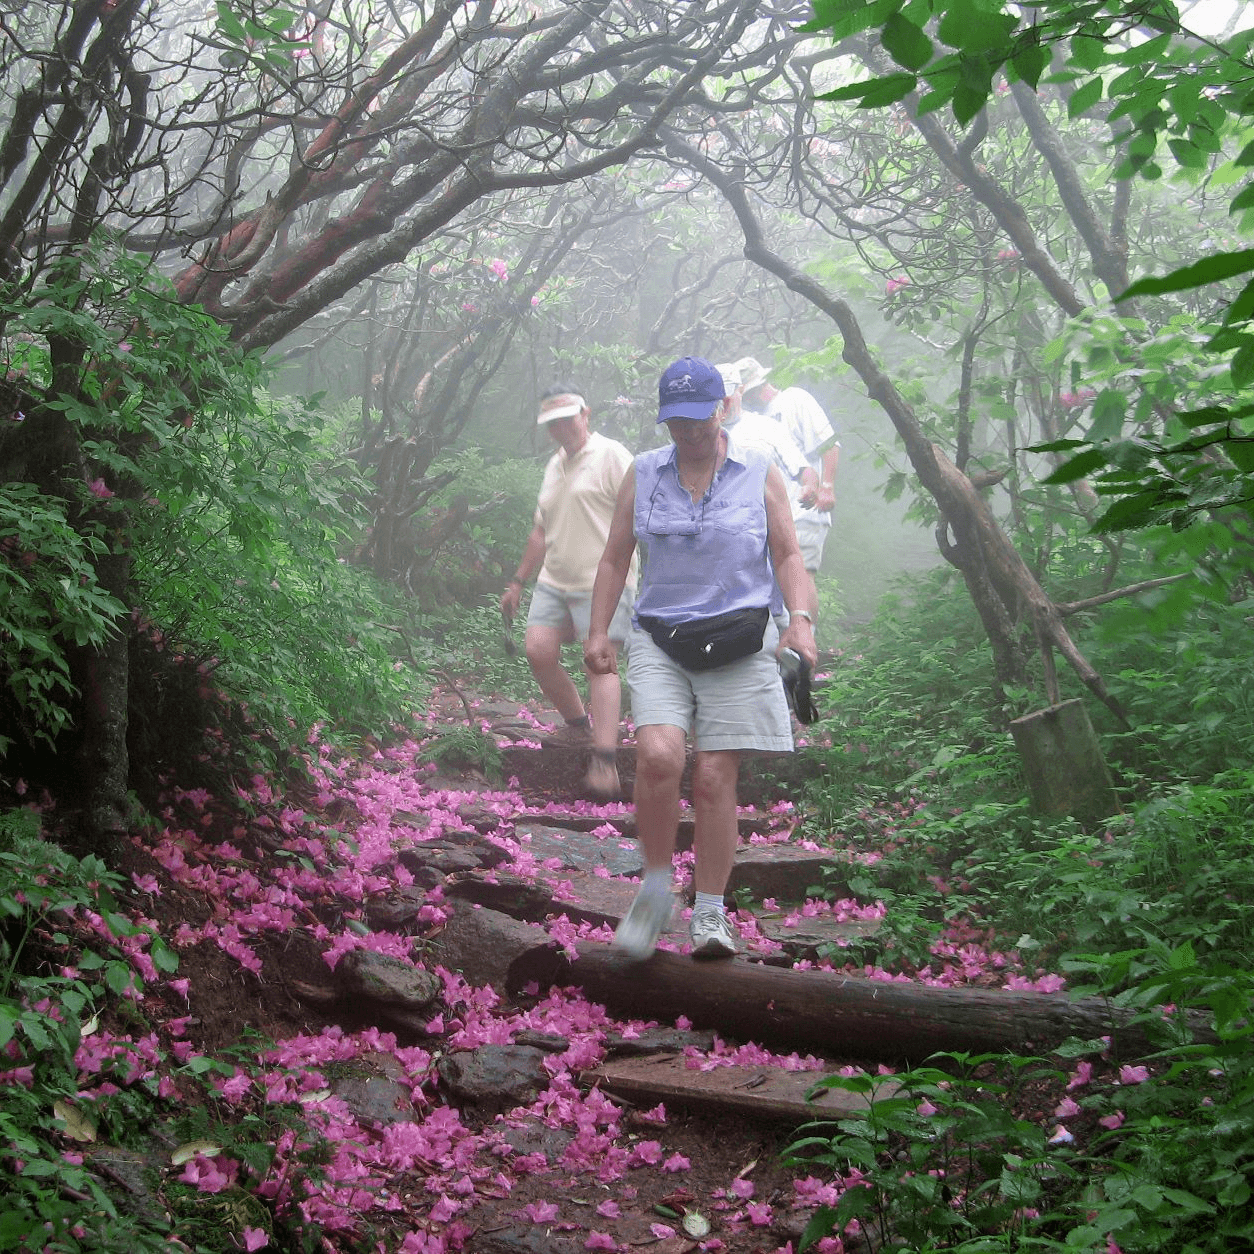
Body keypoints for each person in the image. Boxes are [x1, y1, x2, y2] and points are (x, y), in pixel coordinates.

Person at [584, 356, 818, 961]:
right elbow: (614, 558)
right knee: (659, 757)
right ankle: (656, 887)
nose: (687, 433)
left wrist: (802, 622)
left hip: (740, 640)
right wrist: (599, 631)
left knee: (715, 776)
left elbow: (789, 556)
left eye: (698, 419)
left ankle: (710, 909)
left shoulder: (760, 470)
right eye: (675, 422)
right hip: (663, 636)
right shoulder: (643, 473)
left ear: (724, 408)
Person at [501, 386, 637, 800]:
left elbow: (639, 516)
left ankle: (606, 759)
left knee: (600, 662)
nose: (561, 427)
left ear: (586, 413)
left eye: (567, 417)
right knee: (538, 650)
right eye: (552, 423)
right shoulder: (553, 465)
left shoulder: (614, 456)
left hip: (605, 581)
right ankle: (579, 724)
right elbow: (541, 530)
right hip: (555, 579)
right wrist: (519, 580)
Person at [715, 360, 820, 625]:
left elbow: (803, 468)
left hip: (773, 528)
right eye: (718, 398)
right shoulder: (703, 436)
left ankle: (804, 648)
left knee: (788, 597)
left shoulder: (765, 428)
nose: (725, 403)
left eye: (729, 394)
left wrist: (810, 486)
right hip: (728, 537)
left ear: (740, 390)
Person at [736, 356, 840, 578]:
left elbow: (829, 443)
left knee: (801, 578)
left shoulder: (795, 399)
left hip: (804, 511)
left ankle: (802, 613)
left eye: (751, 392)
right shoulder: (753, 420)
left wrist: (827, 486)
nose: (749, 399)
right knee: (777, 585)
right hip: (774, 518)